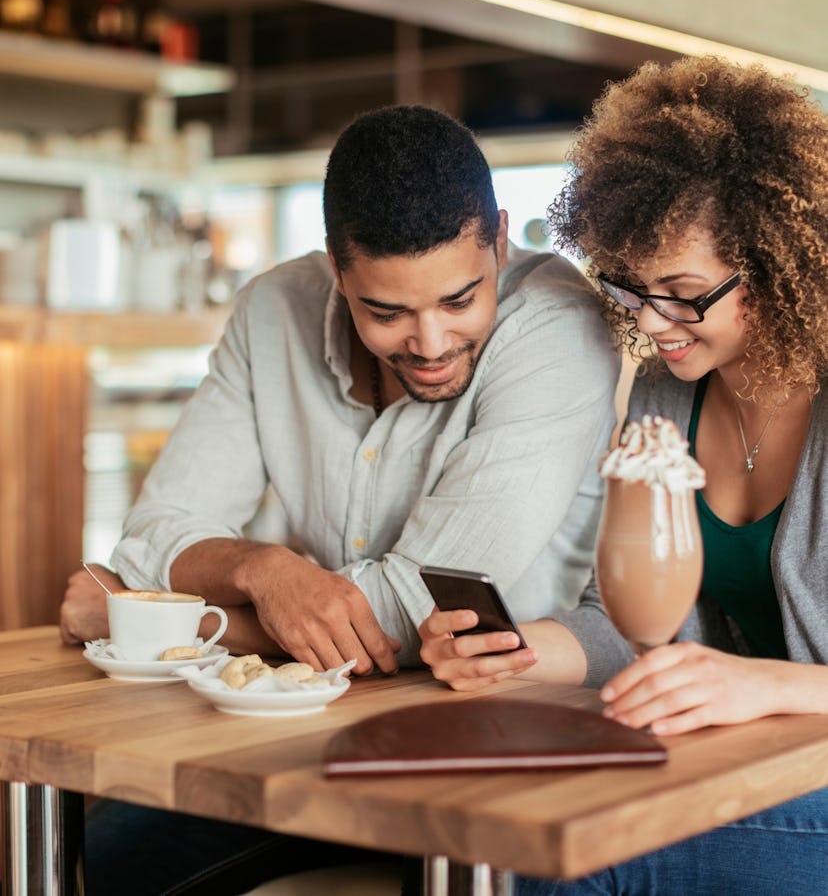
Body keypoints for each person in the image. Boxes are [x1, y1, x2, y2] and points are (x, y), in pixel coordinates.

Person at [61, 103, 619, 895]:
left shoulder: (556, 326)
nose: (428, 343)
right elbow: (152, 537)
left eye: (459, 301)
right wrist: (265, 570)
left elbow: (412, 603)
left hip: (499, 741)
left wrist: (152, 618)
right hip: (309, 722)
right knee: (101, 859)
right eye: (386, 312)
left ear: (499, 237)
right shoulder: (270, 312)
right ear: (335, 266)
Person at [417, 55, 828, 895]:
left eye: (681, 293)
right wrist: (524, 652)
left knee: (570, 855)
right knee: (487, 823)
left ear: (783, 264)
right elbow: (632, 621)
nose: (649, 321)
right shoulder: (667, 391)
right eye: (632, 287)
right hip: (746, 764)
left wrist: (767, 686)